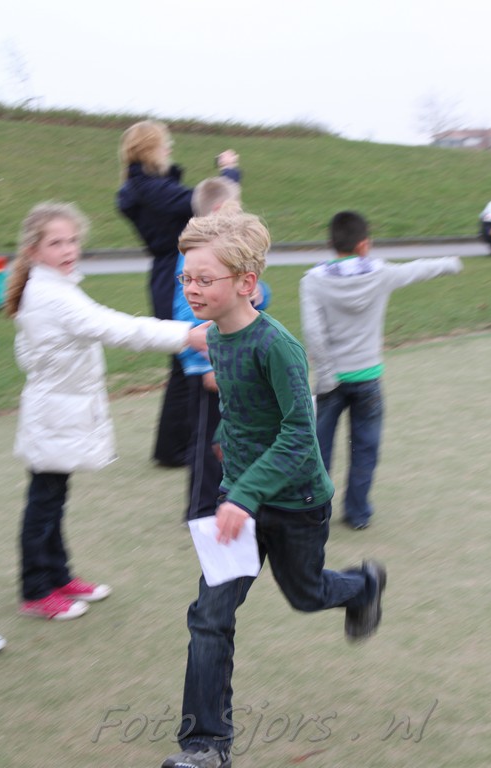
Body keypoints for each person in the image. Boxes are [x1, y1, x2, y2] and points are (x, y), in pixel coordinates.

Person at [160, 209, 387, 768]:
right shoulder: (215, 338)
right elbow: (242, 410)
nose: (191, 289)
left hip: (295, 503)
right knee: (209, 617)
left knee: (306, 595)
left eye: (204, 279)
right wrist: (227, 448)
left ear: (246, 282)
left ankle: (362, 585)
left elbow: (299, 435)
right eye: (187, 277)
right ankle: (206, 745)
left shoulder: (276, 345)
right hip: (239, 503)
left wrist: (245, 493)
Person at [5, 202, 208, 621]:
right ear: (34, 250)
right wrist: (187, 334)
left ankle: (57, 575)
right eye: (56, 243)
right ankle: (36, 589)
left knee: (52, 497)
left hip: (59, 409)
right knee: (45, 501)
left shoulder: (56, 286)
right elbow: (115, 327)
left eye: (72, 240)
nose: (68, 249)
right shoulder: (49, 294)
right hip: (53, 413)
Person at [300, 210, 463, 530]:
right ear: (363, 244)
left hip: (330, 382)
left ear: (332, 242)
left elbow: (313, 333)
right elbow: (418, 270)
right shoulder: (381, 273)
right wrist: (451, 263)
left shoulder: (313, 281)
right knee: (365, 448)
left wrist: (327, 372)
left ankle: (314, 513)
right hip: (368, 379)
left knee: (319, 449)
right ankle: (358, 513)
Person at [117, 120, 240, 467]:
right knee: (186, 357)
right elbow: (206, 204)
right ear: (149, 149)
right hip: (177, 272)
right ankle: (177, 447)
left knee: (180, 359)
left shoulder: (147, 187)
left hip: (170, 271)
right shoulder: (151, 189)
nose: (170, 148)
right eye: (164, 143)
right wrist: (230, 174)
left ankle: (172, 447)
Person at [174, 177, 270, 522]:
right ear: (219, 211)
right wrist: (209, 364)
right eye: (237, 207)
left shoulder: (228, 257)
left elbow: (255, 294)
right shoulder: (195, 259)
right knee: (207, 439)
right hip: (209, 366)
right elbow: (189, 315)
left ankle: (230, 499)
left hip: (233, 360)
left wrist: (260, 294)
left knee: (232, 436)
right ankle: (200, 511)